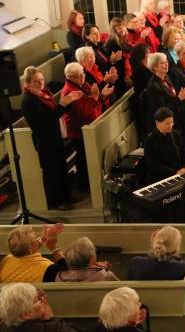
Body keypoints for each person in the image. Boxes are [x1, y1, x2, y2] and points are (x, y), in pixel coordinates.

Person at [21, 66, 83, 210]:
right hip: (45, 141)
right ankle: (56, 201)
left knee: (61, 168)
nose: (41, 84)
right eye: (37, 81)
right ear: (28, 82)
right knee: (52, 172)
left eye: (42, 80)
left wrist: (68, 103)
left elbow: (55, 112)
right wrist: (63, 104)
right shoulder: (29, 100)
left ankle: (66, 196)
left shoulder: (43, 94)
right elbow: (47, 119)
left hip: (55, 137)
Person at [62, 62, 110, 191]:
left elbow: (94, 101)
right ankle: (85, 186)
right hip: (79, 131)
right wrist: (95, 98)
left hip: (91, 126)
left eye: (82, 74)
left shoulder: (84, 85)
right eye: (77, 76)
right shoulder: (69, 91)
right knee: (83, 158)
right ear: (69, 77)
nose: (81, 78)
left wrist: (102, 96)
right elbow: (84, 113)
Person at [143, 107, 185, 183]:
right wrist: (175, 172)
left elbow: (184, 155)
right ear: (157, 123)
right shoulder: (150, 140)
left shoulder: (175, 134)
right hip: (160, 179)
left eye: (172, 122)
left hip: (178, 174)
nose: (171, 125)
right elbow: (154, 166)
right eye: (167, 123)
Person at [144, 52, 185, 135]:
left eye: (166, 62)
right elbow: (162, 110)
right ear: (155, 67)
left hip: (174, 117)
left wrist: (183, 93)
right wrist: (179, 98)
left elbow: (172, 96)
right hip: (164, 125)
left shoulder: (166, 77)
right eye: (162, 63)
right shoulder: (154, 86)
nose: (166, 64)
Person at [0, 223, 67, 283]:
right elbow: (67, 273)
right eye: (36, 239)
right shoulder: (48, 269)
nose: (38, 240)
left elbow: (28, 251)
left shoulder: (6, 260)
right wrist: (53, 247)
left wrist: (43, 239)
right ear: (30, 248)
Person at [0, 283, 81, 331]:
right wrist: (50, 317)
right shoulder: (48, 329)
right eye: (38, 301)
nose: (42, 302)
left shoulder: (6, 326)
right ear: (25, 314)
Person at [104, 17, 131, 97]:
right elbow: (110, 62)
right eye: (119, 28)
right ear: (113, 30)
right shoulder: (112, 42)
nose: (122, 29)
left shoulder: (124, 39)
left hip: (126, 72)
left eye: (123, 26)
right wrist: (113, 60)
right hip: (119, 75)